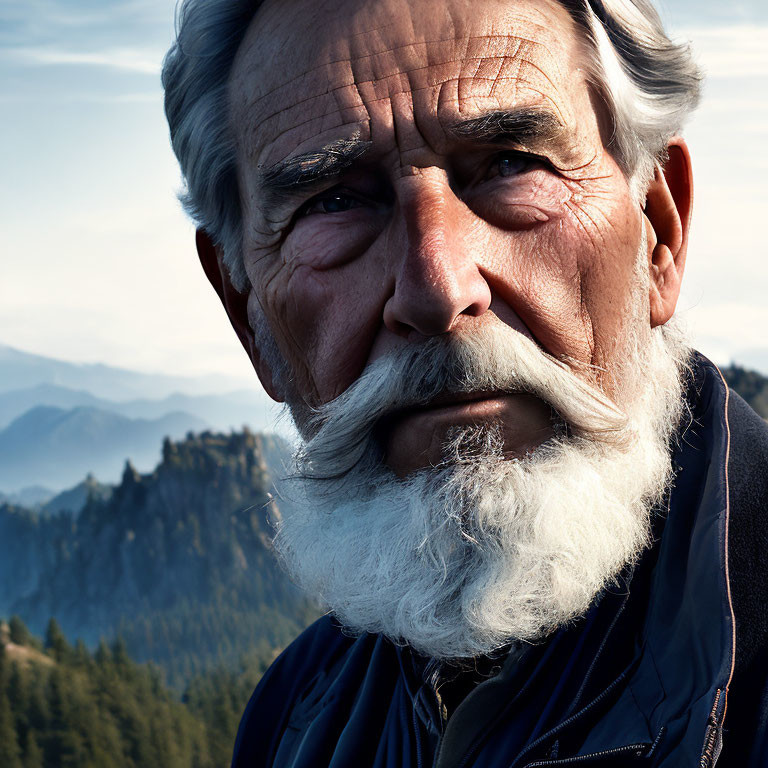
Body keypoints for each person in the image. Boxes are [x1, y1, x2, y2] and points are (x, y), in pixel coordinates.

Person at [162, 0, 768, 764]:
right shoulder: (292, 720)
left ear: (658, 232)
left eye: (512, 164)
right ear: (247, 312)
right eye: (334, 201)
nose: (438, 289)